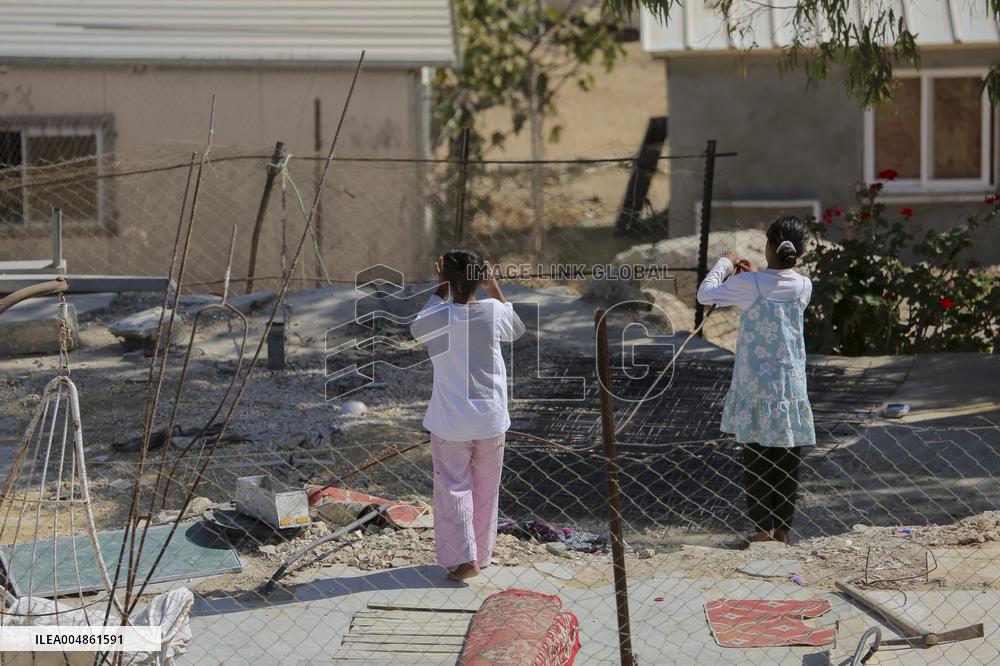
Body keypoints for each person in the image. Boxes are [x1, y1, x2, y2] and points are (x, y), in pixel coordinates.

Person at [696, 216, 816, 546]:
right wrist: (753, 279)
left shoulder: (749, 286)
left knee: (757, 461)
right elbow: (776, 287)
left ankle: (761, 531)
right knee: (788, 461)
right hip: (789, 389)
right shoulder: (804, 287)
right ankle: (783, 532)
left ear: (767, 247)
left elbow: (705, 295)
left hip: (754, 391)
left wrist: (726, 263)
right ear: (800, 253)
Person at [410, 248, 525, 580]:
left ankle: (464, 560)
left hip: (452, 422)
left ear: (444, 277)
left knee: (453, 487)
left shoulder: (438, 317)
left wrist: (441, 286)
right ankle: (482, 553)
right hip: (491, 419)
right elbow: (515, 330)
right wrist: (492, 287)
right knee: (486, 486)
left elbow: (417, 328)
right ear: (480, 277)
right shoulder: (493, 312)